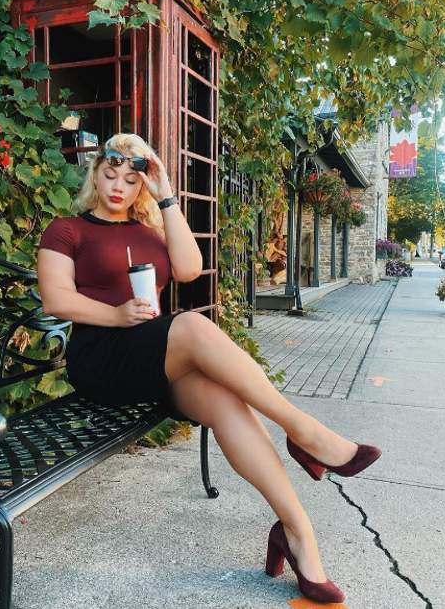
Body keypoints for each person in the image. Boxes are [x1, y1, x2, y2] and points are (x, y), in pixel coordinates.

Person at [36, 134, 378, 604]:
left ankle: (297, 534)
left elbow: (191, 269)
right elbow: (56, 299)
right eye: (110, 174)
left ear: (141, 186)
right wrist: (116, 315)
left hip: (151, 362)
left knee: (226, 404)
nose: (118, 186)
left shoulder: (149, 232)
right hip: (102, 361)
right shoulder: (67, 229)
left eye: (131, 179)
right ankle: (305, 432)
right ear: (95, 173)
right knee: (194, 328)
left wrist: (167, 195)